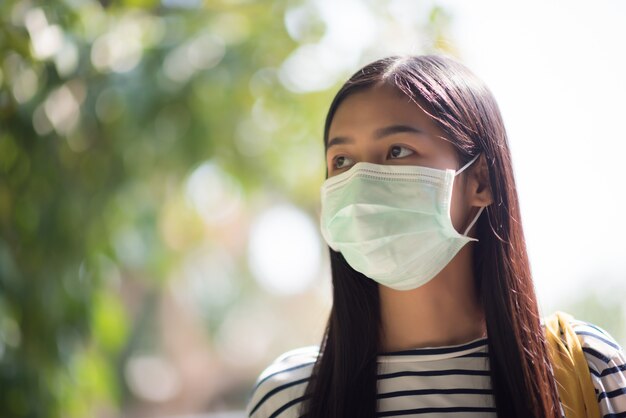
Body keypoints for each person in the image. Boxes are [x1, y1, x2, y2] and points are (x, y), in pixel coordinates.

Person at [245, 54, 626, 418]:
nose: (361, 183)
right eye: (341, 161)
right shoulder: (290, 396)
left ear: (480, 180)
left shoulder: (586, 370)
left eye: (397, 151)